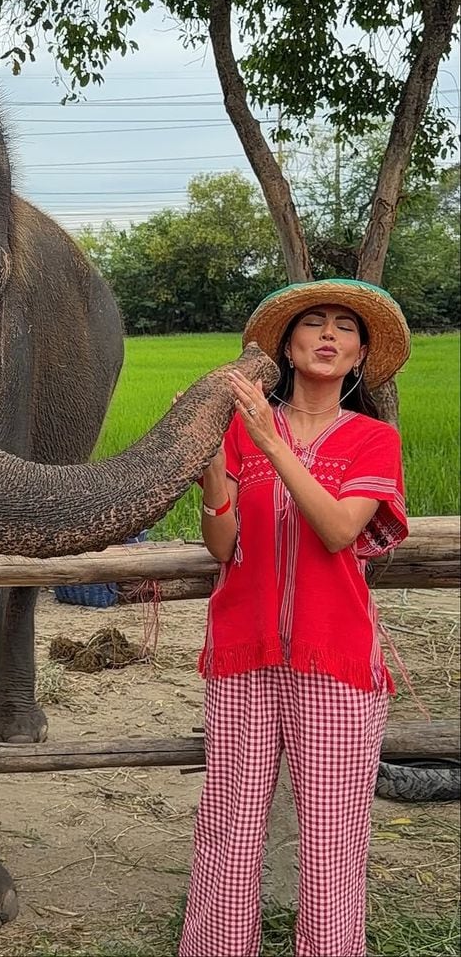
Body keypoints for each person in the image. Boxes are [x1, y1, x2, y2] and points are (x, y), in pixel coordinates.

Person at [179, 278, 411, 957]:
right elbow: (223, 546)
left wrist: (270, 443)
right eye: (314, 322)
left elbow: (340, 530)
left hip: (334, 659)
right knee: (228, 824)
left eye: (345, 326)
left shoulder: (372, 440)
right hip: (242, 652)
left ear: (360, 354)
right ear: (286, 343)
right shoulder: (240, 432)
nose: (329, 334)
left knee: (332, 837)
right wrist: (214, 471)